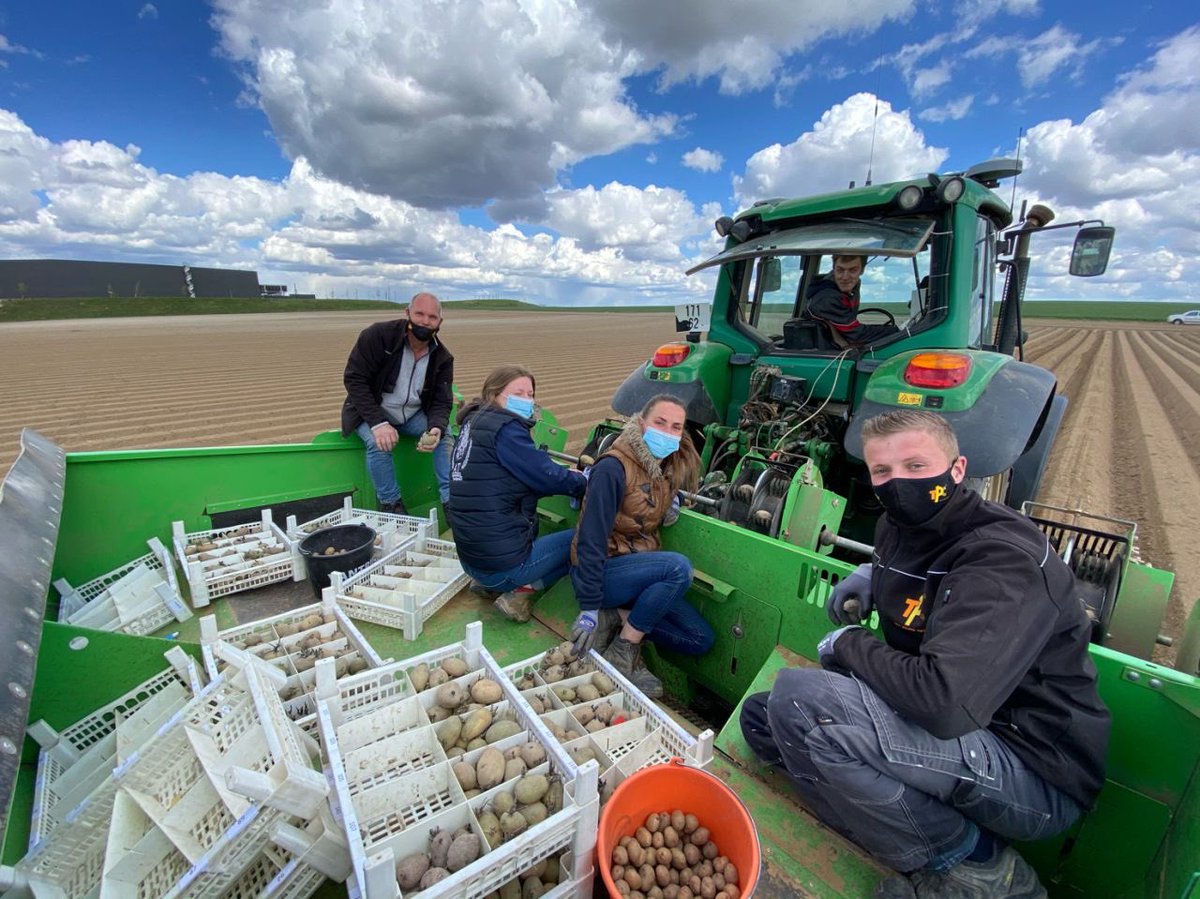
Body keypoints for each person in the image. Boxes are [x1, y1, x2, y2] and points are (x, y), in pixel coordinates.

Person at [740, 409, 1110, 899]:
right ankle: (890, 820)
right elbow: (919, 563)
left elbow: (943, 702)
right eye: (882, 472)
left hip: (1029, 764)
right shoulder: (902, 524)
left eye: (916, 467)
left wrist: (849, 644)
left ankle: (977, 864)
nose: (898, 484)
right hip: (956, 734)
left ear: (958, 471)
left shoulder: (1003, 557)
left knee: (802, 702)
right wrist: (875, 571)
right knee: (765, 721)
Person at [569, 394, 715, 698]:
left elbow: (648, 501)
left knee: (699, 639)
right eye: (659, 422)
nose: (667, 432)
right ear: (641, 423)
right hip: (607, 572)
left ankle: (619, 619)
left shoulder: (665, 469)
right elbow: (590, 539)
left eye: (676, 427)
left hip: (639, 575)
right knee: (678, 568)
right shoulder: (613, 468)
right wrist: (589, 606)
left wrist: (673, 500)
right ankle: (624, 649)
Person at [447, 365, 587, 622]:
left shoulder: (473, 422)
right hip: (501, 565)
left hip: (471, 560)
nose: (526, 400)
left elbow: (503, 476)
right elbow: (546, 476)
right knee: (587, 540)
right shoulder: (506, 428)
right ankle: (520, 591)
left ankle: (488, 583)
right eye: (517, 393)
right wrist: (584, 483)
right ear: (493, 394)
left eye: (530, 394)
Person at [341, 292, 454, 513]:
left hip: (411, 416)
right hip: (370, 412)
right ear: (407, 313)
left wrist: (435, 427)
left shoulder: (442, 357)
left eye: (432, 317)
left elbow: (441, 401)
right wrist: (378, 423)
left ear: (440, 322)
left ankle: (451, 501)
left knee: (445, 433)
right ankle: (391, 504)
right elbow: (355, 380)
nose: (425, 321)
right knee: (378, 443)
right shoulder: (378, 336)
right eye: (419, 314)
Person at [802, 254, 898, 346]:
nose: (845, 277)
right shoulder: (827, 298)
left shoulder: (850, 287)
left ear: (862, 270)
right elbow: (857, 335)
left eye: (853, 270)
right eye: (840, 270)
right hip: (830, 352)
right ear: (833, 268)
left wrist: (888, 329)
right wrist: (898, 331)